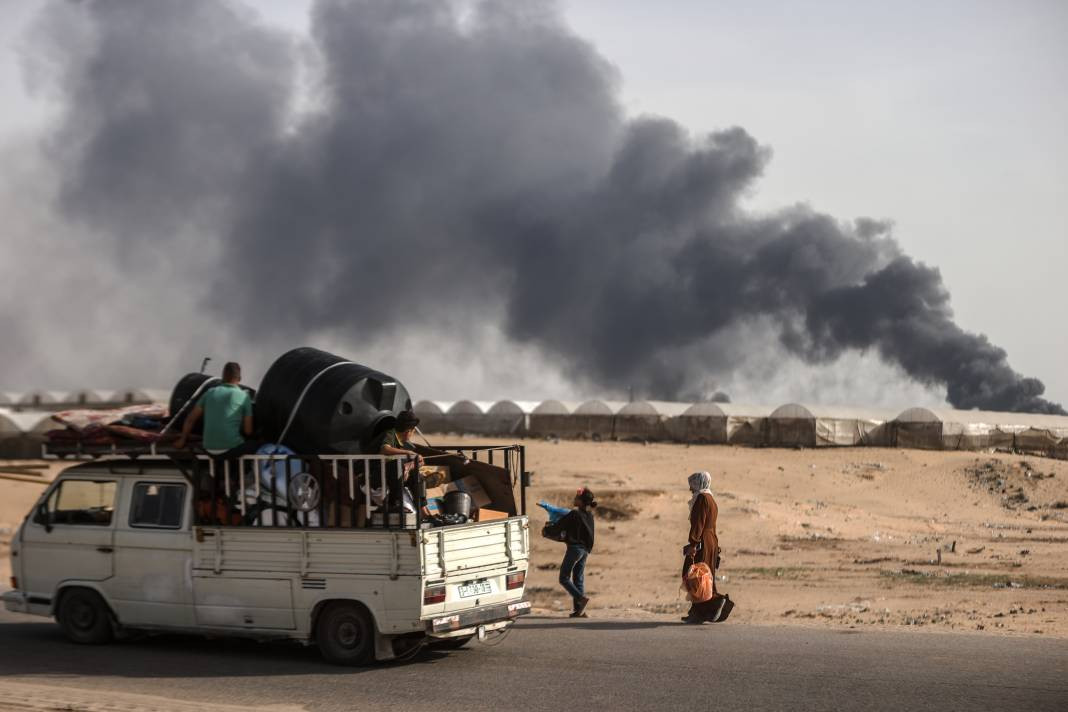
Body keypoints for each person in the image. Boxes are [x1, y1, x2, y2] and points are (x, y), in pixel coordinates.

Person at [174, 362, 254, 455]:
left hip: (209, 448)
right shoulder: (244, 396)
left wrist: (182, 440)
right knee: (259, 446)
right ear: (239, 379)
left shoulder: (209, 393)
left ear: (223, 378)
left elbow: (190, 419)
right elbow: (248, 431)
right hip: (231, 448)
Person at [681, 471, 726, 624]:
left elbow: (699, 524)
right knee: (706, 577)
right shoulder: (711, 499)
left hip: (703, 543)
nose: (690, 489)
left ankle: (710, 606)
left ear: (698, 484)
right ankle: (699, 611)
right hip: (711, 541)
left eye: (692, 485)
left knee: (695, 577)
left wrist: (693, 544)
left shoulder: (701, 498)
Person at [555, 487, 596, 618]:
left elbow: (560, 526)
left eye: (576, 497)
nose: (574, 499)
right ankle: (579, 611)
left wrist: (548, 530)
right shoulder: (590, 516)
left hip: (575, 550)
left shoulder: (574, 514)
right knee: (578, 578)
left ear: (580, 501)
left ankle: (580, 598)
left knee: (563, 578)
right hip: (585, 551)